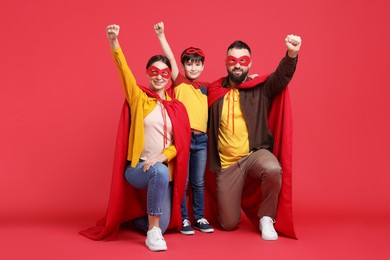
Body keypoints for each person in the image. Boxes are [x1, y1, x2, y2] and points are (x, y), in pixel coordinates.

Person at [80, 24, 191, 252]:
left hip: (162, 167)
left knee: (168, 222)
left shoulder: (177, 107)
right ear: (147, 73)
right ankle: (152, 233)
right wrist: (114, 43)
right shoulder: (139, 98)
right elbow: (124, 72)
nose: (159, 77)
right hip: (137, 168)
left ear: (169, 76)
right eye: (154, 72)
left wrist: (162, 156)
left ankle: (138, 221)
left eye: (164, 73)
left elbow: (180, 144)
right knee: (158, 173)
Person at [207, 35, 302, 240]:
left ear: (250, 63)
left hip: (254, 154)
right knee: (229, 224)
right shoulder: (214, 91)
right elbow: (187, 88)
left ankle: (266, 217)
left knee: (273, 168)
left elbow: (281, 77)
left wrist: (291, 54)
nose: (238, 65)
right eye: (233, 61)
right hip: (226, 164)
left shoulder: (260, 87)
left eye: (243, 61)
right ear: (226, 63)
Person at [153, 21, 214, 235]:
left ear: (203, 66)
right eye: (190, 64)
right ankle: (184, 219)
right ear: (183, 66)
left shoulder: (206, 88)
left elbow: (228, 85)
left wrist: (250, 78)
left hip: (202, 141)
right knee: (183, 181)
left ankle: (199, 216)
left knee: (198, 182)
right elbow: (169, 58)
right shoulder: (179, 83)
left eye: (198, 64)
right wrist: (162, 36)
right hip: (184, 140)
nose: (194, 67)